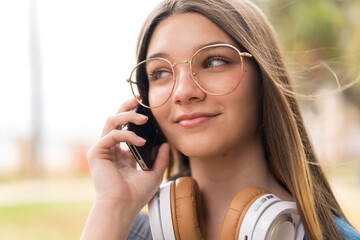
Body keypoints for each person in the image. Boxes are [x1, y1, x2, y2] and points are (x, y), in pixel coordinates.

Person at [80, 0, 360, 239]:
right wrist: (112, 206)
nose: (183, 92)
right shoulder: (123, 230)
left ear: (263, 80)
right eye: (161, 73)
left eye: (213, 62)